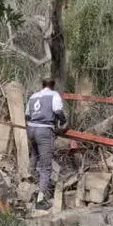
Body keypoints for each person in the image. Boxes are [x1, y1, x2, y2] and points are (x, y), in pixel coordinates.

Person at [25, 77, 67, 211]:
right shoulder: (54, 95)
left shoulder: (33, 96)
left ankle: (26, 190)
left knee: (34, 157)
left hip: (31, 129)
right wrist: (63, 121)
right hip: (44, 131)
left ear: (42, 85)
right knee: (46, 166)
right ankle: (41, 200)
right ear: (53, 86)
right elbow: (58, 110)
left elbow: (27, 114)